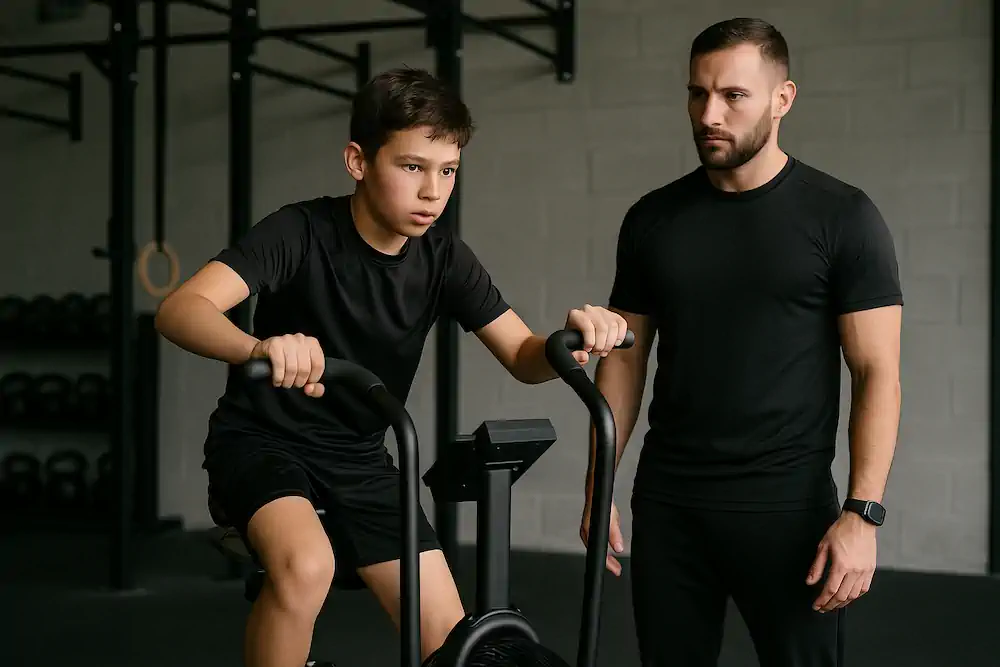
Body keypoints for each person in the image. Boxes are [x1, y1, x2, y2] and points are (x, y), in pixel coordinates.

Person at [155, 67, 628, 667]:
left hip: (359, 457)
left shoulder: (444, 257)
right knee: (307, 566)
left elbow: (522, 356)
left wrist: (572, 340)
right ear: (358, 161)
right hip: (262, 443)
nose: (433, 192)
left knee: (454, 643)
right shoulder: (299, 231)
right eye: (412, 167)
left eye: (448, 171)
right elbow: (180, 310)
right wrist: (258, 348)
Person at [579, 17, 903, 667]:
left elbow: (877, 372)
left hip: (788, 508)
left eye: (733, 95)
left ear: (783, 99)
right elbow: (625, 363)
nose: (709, 114)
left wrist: (862, 513)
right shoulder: (652, 220)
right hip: (670, 503)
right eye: (697, 93)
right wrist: (598, 482)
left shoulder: (843, 216)